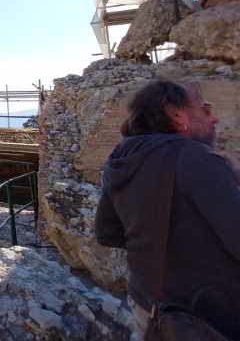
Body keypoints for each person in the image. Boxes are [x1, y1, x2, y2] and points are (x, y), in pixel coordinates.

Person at [94, 79, 236, 338]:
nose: (214, 118)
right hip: (205, 317)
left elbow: (106, 232)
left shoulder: (122, 156)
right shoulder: (198, 158)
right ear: (177, 115)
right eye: (205, 109)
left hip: (147, 308)